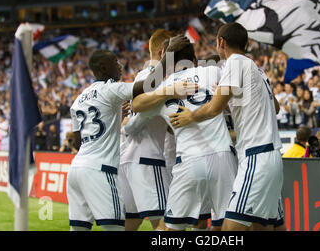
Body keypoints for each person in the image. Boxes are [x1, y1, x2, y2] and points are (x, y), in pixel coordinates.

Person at [169, 22, 285, 231]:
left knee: (229, 230)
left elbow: (213, 108)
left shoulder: (235, 63)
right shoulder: (256, 69)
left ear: (221, 42)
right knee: (269, 228)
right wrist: (233, 101)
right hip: (272, 156)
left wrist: (190, 117)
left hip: (256, 157)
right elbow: (274, 107)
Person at [66, 36, 189, 231]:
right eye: (115, 62)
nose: (120, 65)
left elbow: (76, 136)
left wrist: (112, 118)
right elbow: (146, 86)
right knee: (116, 227)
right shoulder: (110, 89)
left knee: (79, 228)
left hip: (75, 169)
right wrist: (170, 54)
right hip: (101, 169)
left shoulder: (79, 99)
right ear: (104, 69)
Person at [130, 43, 237, 231]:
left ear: (168, 62)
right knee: (226, 226)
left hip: (188, 160)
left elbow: (136, 104)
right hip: (222, 157)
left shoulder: (163, 88)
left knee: (171, 227)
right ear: (194, 60)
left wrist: (167, 91)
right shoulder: (211, 71)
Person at [117, 29, 173, 231]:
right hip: (148, 159)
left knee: (130, 223)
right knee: (166, 224)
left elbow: (129, 125)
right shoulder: (160, 80)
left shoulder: (139, 78)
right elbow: (135, 122)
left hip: (127, 159)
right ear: (162, 53)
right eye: (173, 53)